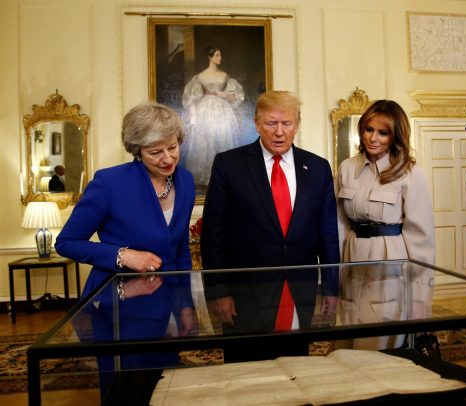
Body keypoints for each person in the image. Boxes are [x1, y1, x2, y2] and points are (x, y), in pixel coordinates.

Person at [55, 102, 197, 400]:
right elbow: (66, 242)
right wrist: (122, 255)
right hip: (118, 305)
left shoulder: (184, 180)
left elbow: (181, 248)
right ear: (137, 150)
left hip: (165, 302)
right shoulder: (110, 183)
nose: (167, 158)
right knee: (125, 391)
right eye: (155, 152)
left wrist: (185, 304)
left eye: (172, 147)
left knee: (166, 389)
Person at [201, 90, 340, 362]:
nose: (279, 132)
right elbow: (213, 234)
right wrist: (219, 292)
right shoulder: (228, 165)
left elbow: (328, 233)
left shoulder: (318, 168)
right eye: (271, 123)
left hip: (299, 290)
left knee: (295, 367)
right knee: (246, 371)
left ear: (297, 124)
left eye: (286, 124)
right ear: (256, 124)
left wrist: (331, 288)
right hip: (245, 295)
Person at [336, 100, 435, 350]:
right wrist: (333, 274)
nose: (374, 138)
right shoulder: (347, 168)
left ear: (396, 135)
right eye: (369, 129)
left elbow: (421, 240)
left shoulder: (410, 173)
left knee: (378, 346)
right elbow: (339, 225)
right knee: (345, 341)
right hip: (352, 260)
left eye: (383, 132)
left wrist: (420, 298)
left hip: (390, 262)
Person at [181, 46, 245, 188]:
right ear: (210, 57)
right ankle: (205, 174)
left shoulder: (225, 76)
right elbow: (191, 98)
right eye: (216, 55)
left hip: (222, 109)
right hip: (205, 110)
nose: (219, 58)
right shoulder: (199, 77)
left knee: (223, 137)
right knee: (205, 139)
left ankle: (224, 175)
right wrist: (194, 116)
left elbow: (236, 95)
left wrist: (223, 95)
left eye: (220, 55)